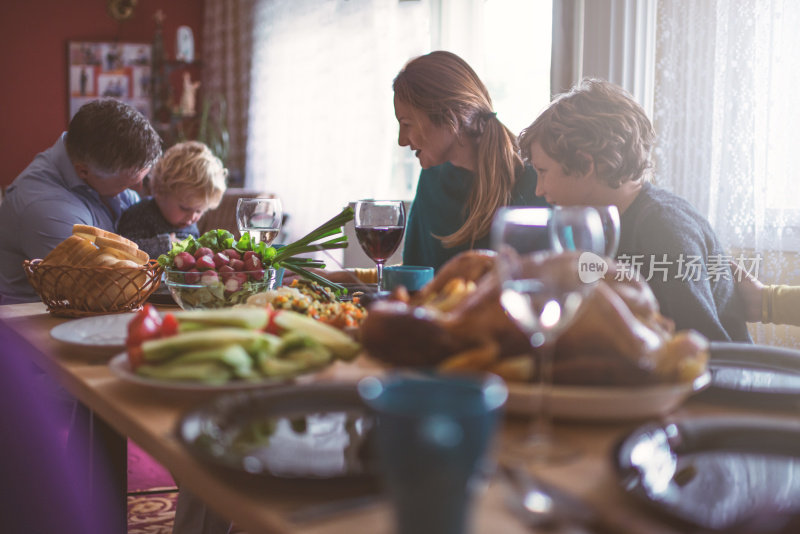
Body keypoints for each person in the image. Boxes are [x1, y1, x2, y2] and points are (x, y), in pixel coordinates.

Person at [518, 78, 750, 343]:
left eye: (543, 172)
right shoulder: (597, 225)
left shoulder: (662, 228)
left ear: (584, 163)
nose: (538, 190)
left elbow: (705, 349)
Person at [393, 50, 548, 271]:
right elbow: (415, 277)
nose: (401, 140)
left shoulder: (537, 183)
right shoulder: (432, 178)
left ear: (450, 119)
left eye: (407, 123)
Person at [0, 98, 162, 304]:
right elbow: (107, 288)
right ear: (83, 171)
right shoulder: (45, 208)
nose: (137, 192)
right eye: (127, 185)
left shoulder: (99, 170)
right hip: (36, 322)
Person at [118, 141, 228, 259]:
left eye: (199, 211)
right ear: (160, 190)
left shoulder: (190, 226)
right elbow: (123, 249)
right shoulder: (140, 215)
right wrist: (165, 245)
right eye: (185, 208)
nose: (192, 218)